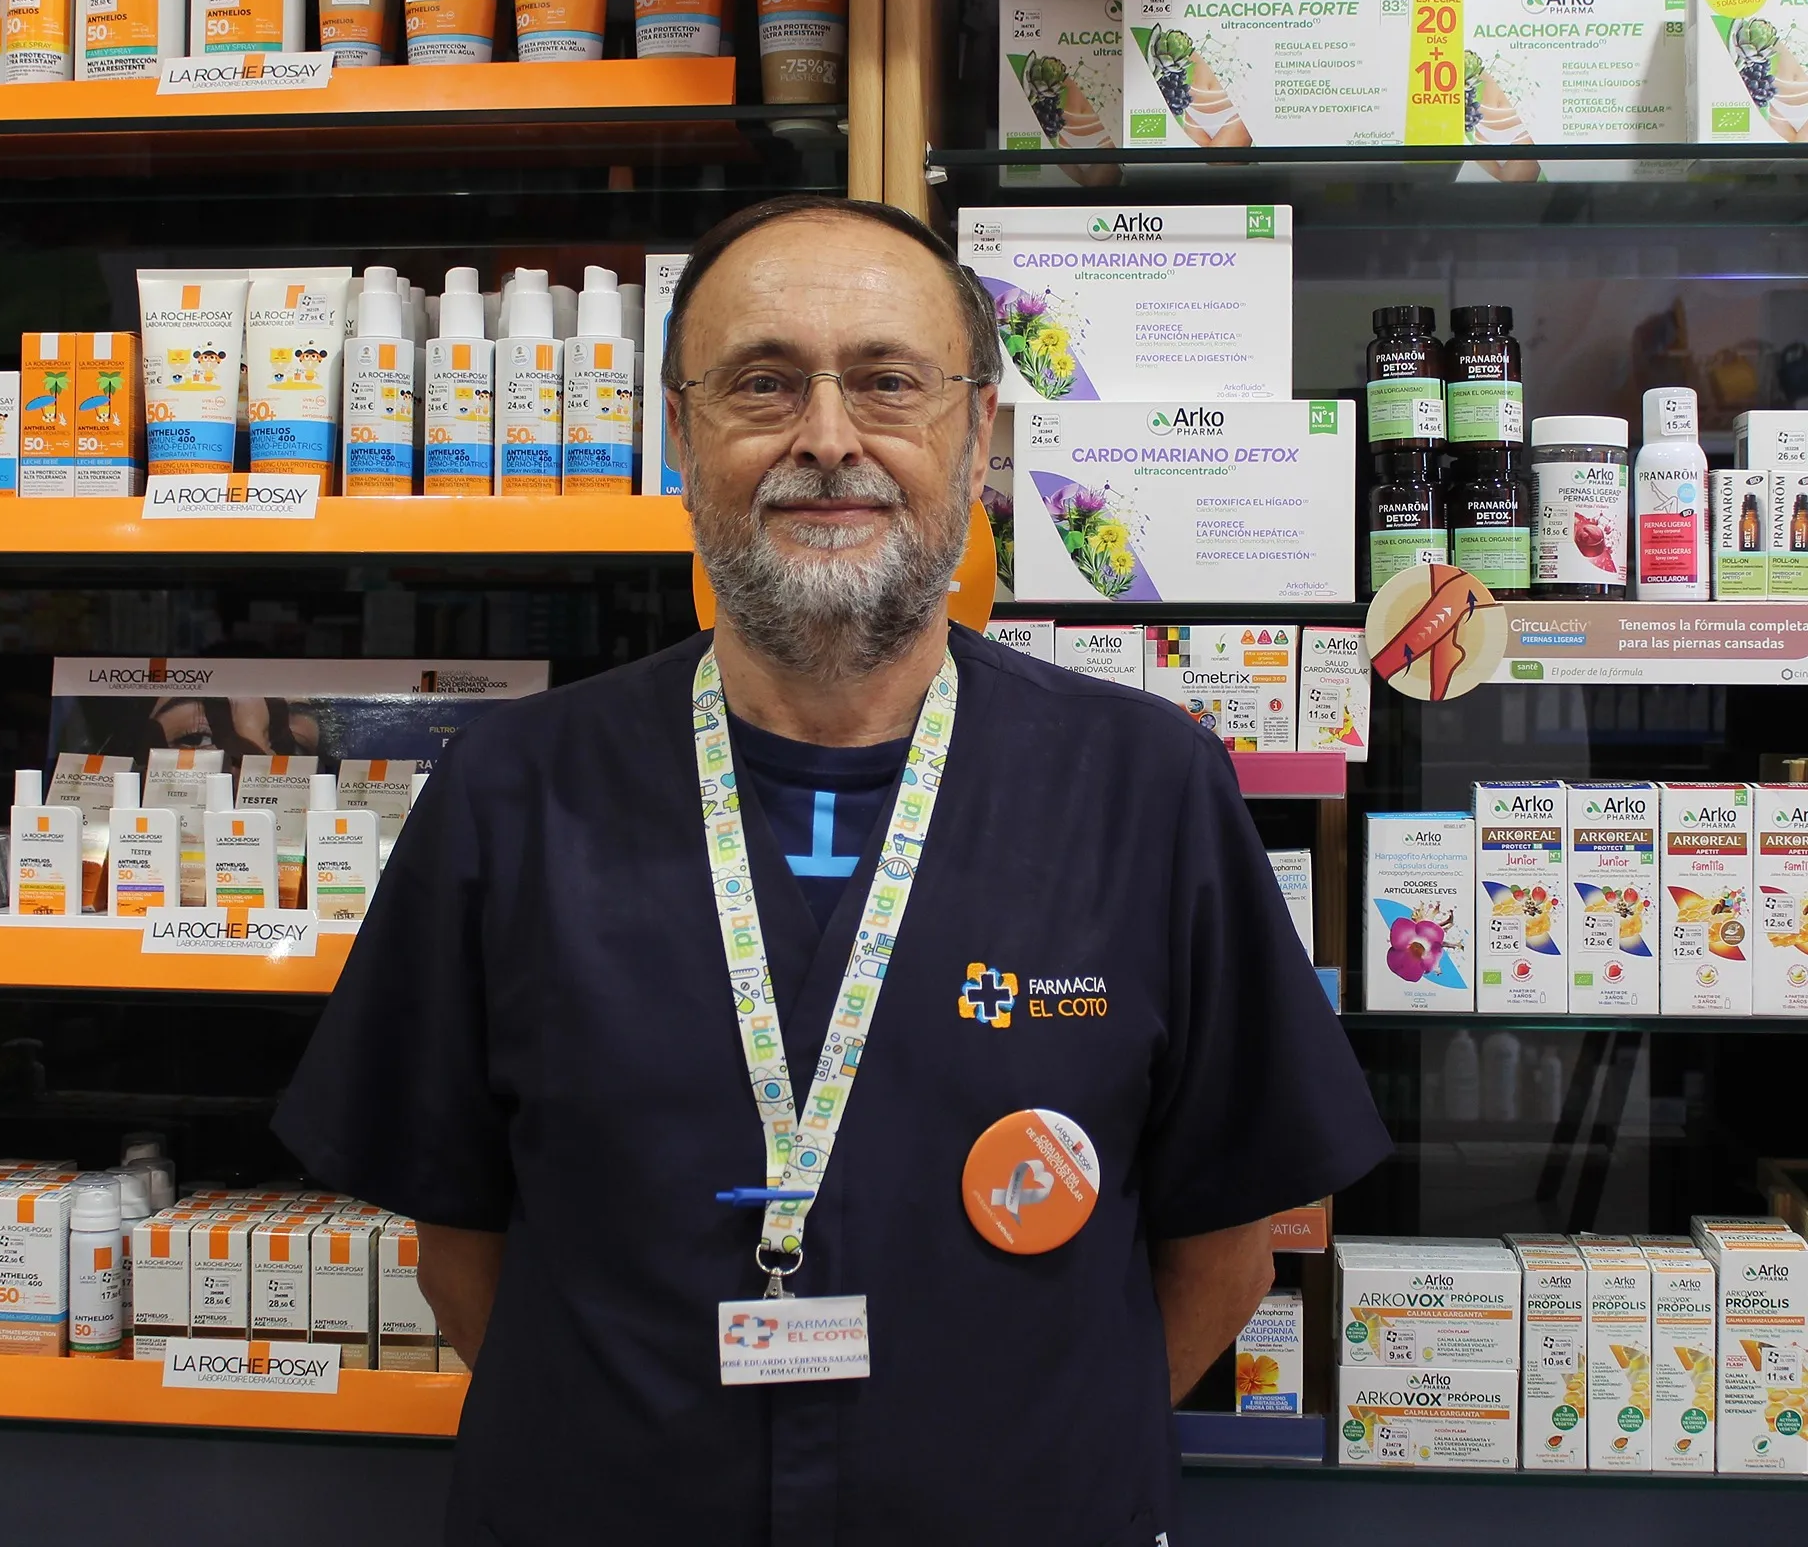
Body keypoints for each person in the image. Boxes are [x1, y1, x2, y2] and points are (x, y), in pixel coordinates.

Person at [274, 195, 1391, 1546]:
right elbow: (457, 1240)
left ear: (977, 432)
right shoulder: (512, 796)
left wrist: (1020, 1471)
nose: (825, 436)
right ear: (679, 434)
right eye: (762, 383)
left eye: (888, 382)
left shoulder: (1147, 789)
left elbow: (1228, 1244)